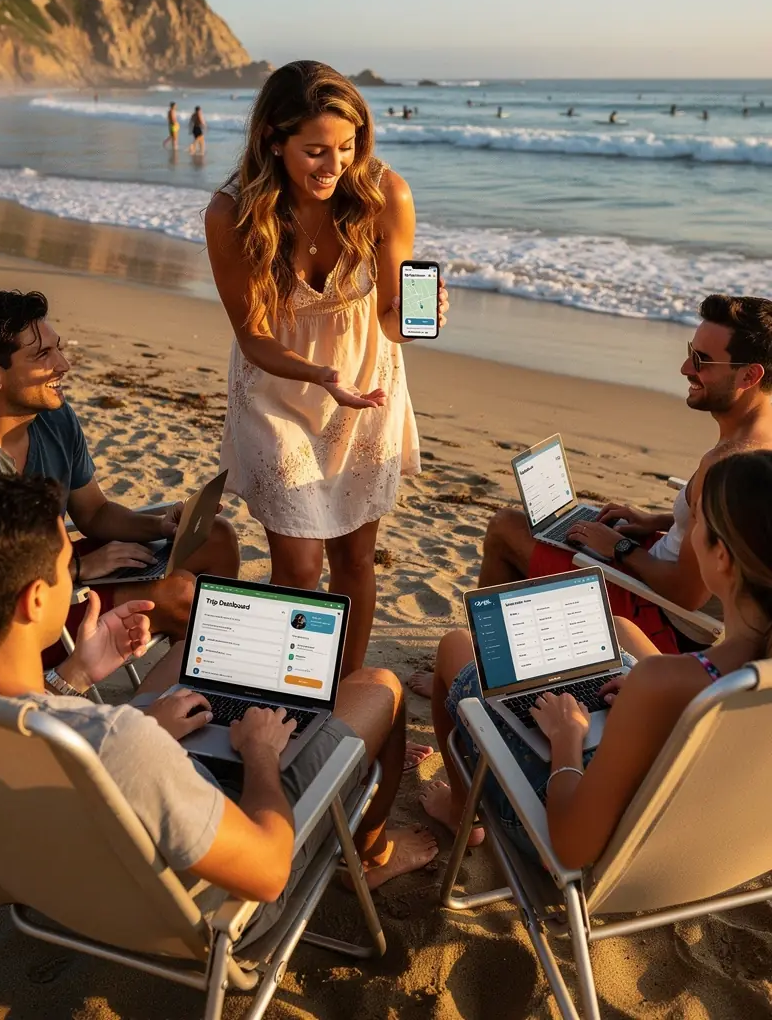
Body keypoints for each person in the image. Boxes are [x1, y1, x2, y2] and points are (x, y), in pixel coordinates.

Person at [0, 473, 439, 933]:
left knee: (192, 658)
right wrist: (260, 753)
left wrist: (72, 677)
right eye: (68, 569)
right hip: (202, 914)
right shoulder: (121, 742)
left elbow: (50, 743)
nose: (76, 583)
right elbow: (268, 872)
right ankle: (373, 854)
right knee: (379, 684)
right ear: (35, 601)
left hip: (52, 881)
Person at [205, 61, 447, 715]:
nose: (332, 165)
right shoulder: (232, 213)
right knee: (300, 564)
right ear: (272, 140)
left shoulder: (384, 195)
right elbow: (253, 335)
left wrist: (422, 318)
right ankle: (289, 695)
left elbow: (394, 317)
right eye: (315, 150)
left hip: (365, 391)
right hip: (278, 390)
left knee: (356, 557)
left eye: (346, 147)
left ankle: (343, 694)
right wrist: (317, 376)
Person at [409, 295, 772, 697]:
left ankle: (487, 677)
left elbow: (686, 594)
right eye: (690, 353)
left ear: (748, 376)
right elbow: (728, 524)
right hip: (662, 567)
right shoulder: (758, 443)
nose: (686, 368)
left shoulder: (727, 460)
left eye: (702, 361)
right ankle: (522, 653)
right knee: (550, 528)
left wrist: (618, 548)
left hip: (661, 618)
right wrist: (660, 520)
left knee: (504, 530)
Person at [425, 448, 772, 865]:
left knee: (456, 645)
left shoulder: (663, 681)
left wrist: (566, 738)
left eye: (697, 521)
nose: (687, 532)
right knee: (622, 634)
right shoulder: (738, 681)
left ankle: (461, 810)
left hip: (607, 844)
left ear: (721, 557)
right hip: (706, 845)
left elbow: (572, 847)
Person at [0, 289, 240, 656]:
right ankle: (188, 679)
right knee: (180, 595)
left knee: (215, 536)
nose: (64, 364)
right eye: (43, 354)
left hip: (55, 578)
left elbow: (94, 513)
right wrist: (78, 567)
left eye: (58, 347)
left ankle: (202, 671)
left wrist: (163, 526)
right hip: (5, 625)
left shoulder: (55, 418)